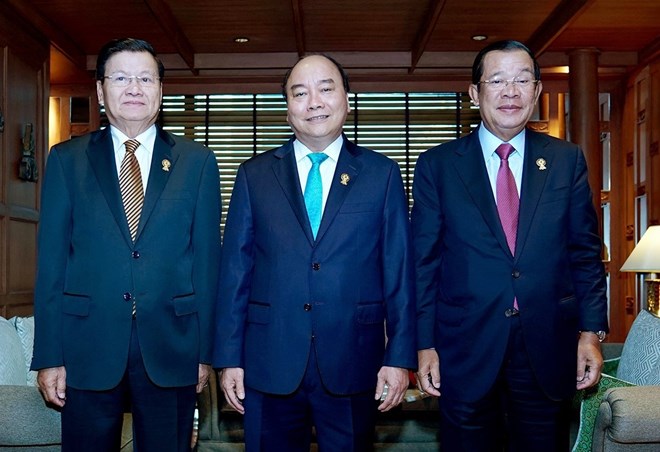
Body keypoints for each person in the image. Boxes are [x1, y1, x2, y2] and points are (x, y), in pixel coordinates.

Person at [412, 40, 609, 451]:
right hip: (463, 347)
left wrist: (590, 332)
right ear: (474, 93)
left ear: (537, 92)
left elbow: (584, 253)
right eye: (497, 80)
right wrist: (423, 344)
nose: (511, 91)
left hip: (546, 344)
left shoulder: (565, 160)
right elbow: (423, 262)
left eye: (523, 80)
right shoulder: (439, 165)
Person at [213, 54, 416, 451]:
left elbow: (400, 271)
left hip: (354, 359)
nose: (314, 102)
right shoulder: (254, 175)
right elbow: (235, 272)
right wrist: (228, 358)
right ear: (287, 108)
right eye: (300, 93)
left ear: (346, 100)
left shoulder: (382, 173)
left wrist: (400, 357)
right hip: (268, 360)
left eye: (326, 89)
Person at [31, 38, 221, 452]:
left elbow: (207, 266)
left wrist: (205, 352)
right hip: (86, 345)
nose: (134, 88)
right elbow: (51, 264)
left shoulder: (198, 163)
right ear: (100, 90)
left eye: (144, 78)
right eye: (120, 78)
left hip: (172, 344)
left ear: (160, 89)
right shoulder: (66, 159)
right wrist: (47, 355)